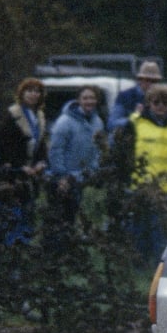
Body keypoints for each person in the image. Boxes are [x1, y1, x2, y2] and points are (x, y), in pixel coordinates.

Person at [112, 83, 167, 262]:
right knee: (139, 228)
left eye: (166, 102)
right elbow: (123, 153)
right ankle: (137, 265)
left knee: (160, 231)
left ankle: (156, 267)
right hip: (140, 186)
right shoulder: (135, 123)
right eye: (156, 102)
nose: (161, 106)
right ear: (149, 103)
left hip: (165, 189)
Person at [0, 77, 49, 245]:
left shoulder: (40, 116)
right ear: (22, 93)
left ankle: (23, 248)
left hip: (31, 175)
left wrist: (41, 163)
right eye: (29, 90)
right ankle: (8, 249)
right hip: (13, 173)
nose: (33, 94)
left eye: (37, 91)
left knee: (28, 213)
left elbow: (41, 145)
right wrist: (19, 166)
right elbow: (5, 145)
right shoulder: (12, 115)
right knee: (11, 213)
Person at [45, 84, 106, 235]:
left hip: (82, 179)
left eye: (92, 98)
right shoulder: (64, 122)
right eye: (85, 98)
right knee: (59, 223)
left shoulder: (98, 122)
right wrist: (61, 176)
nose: (89, 101)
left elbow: (98, 150)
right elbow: (56, 150)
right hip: (63, 180)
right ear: (78, 100)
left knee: (75, 222)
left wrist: (92, 171)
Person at [108, 60, 163, 132]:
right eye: (147, 80)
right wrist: (133, 118)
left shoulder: (163, 99)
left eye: (155, 81)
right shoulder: (125, 96)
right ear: (140, 80)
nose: (151, 84)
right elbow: (112, 124)